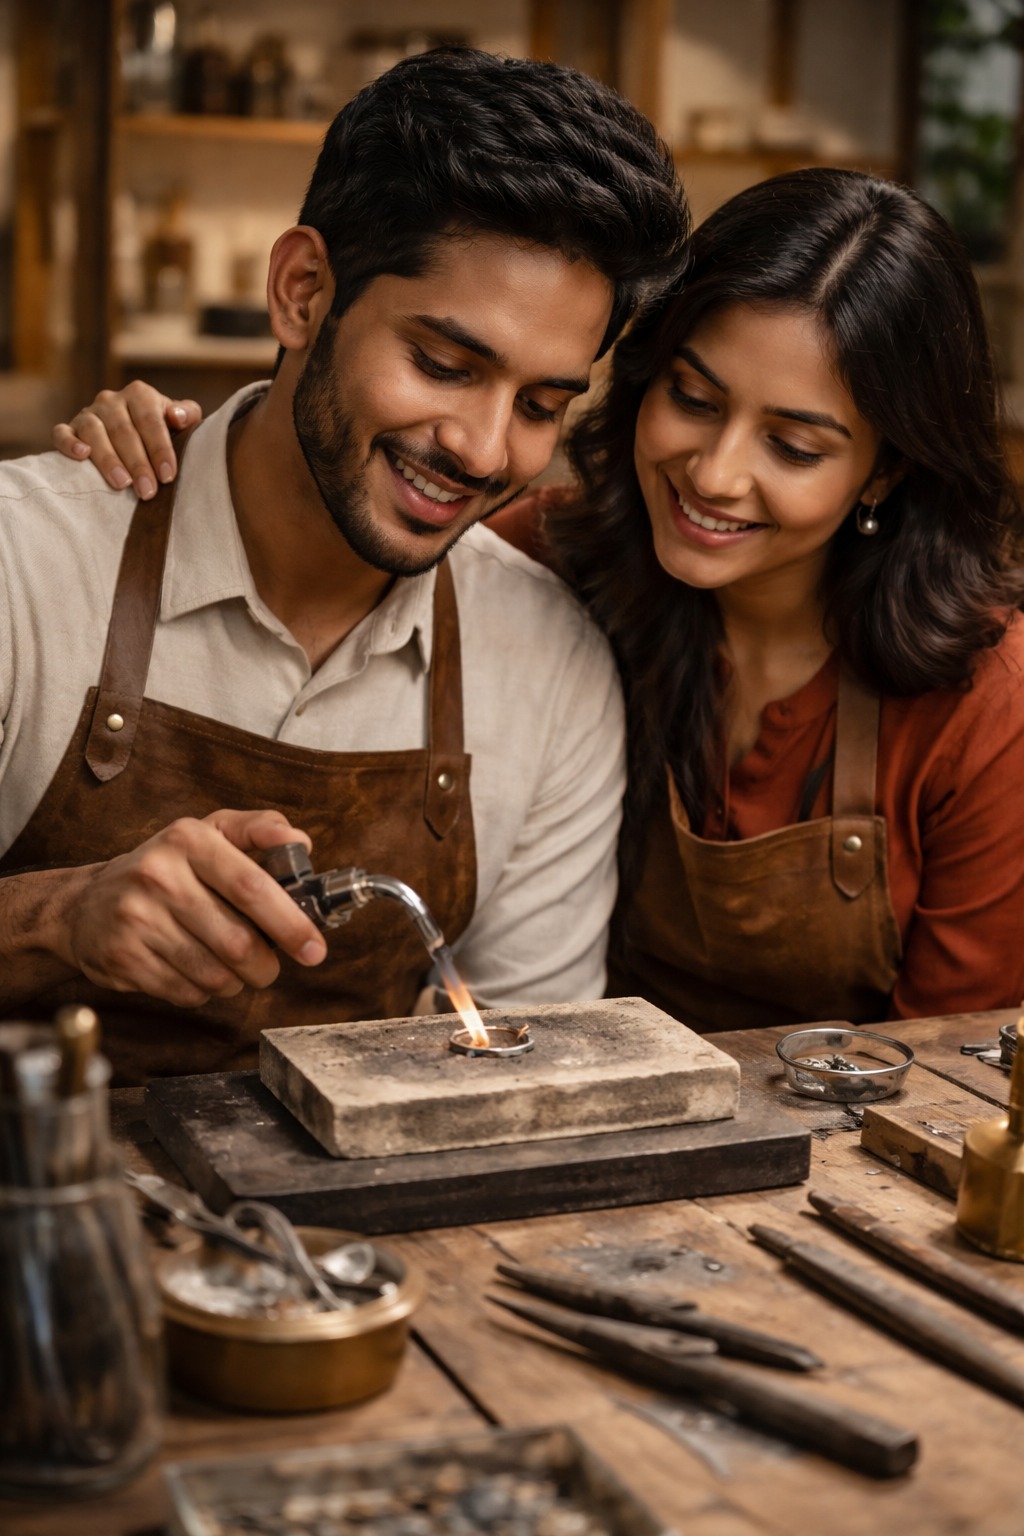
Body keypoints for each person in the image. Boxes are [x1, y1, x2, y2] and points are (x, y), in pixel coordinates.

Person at [82, 170, 1024, 1031]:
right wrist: (164, 462)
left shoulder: (985, 701)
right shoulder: (545, 559)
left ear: (886, 471)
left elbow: (950, 1068)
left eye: (795, 447)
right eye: (693, 399)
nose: (716, 474)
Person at [0, 47, 689, 1082]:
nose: (485, 449)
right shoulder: (25, 559)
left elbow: (519, 1070)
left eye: (542, 405)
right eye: (444, 366)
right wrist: (62, 917)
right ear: (302, 291)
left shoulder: (549, 666)